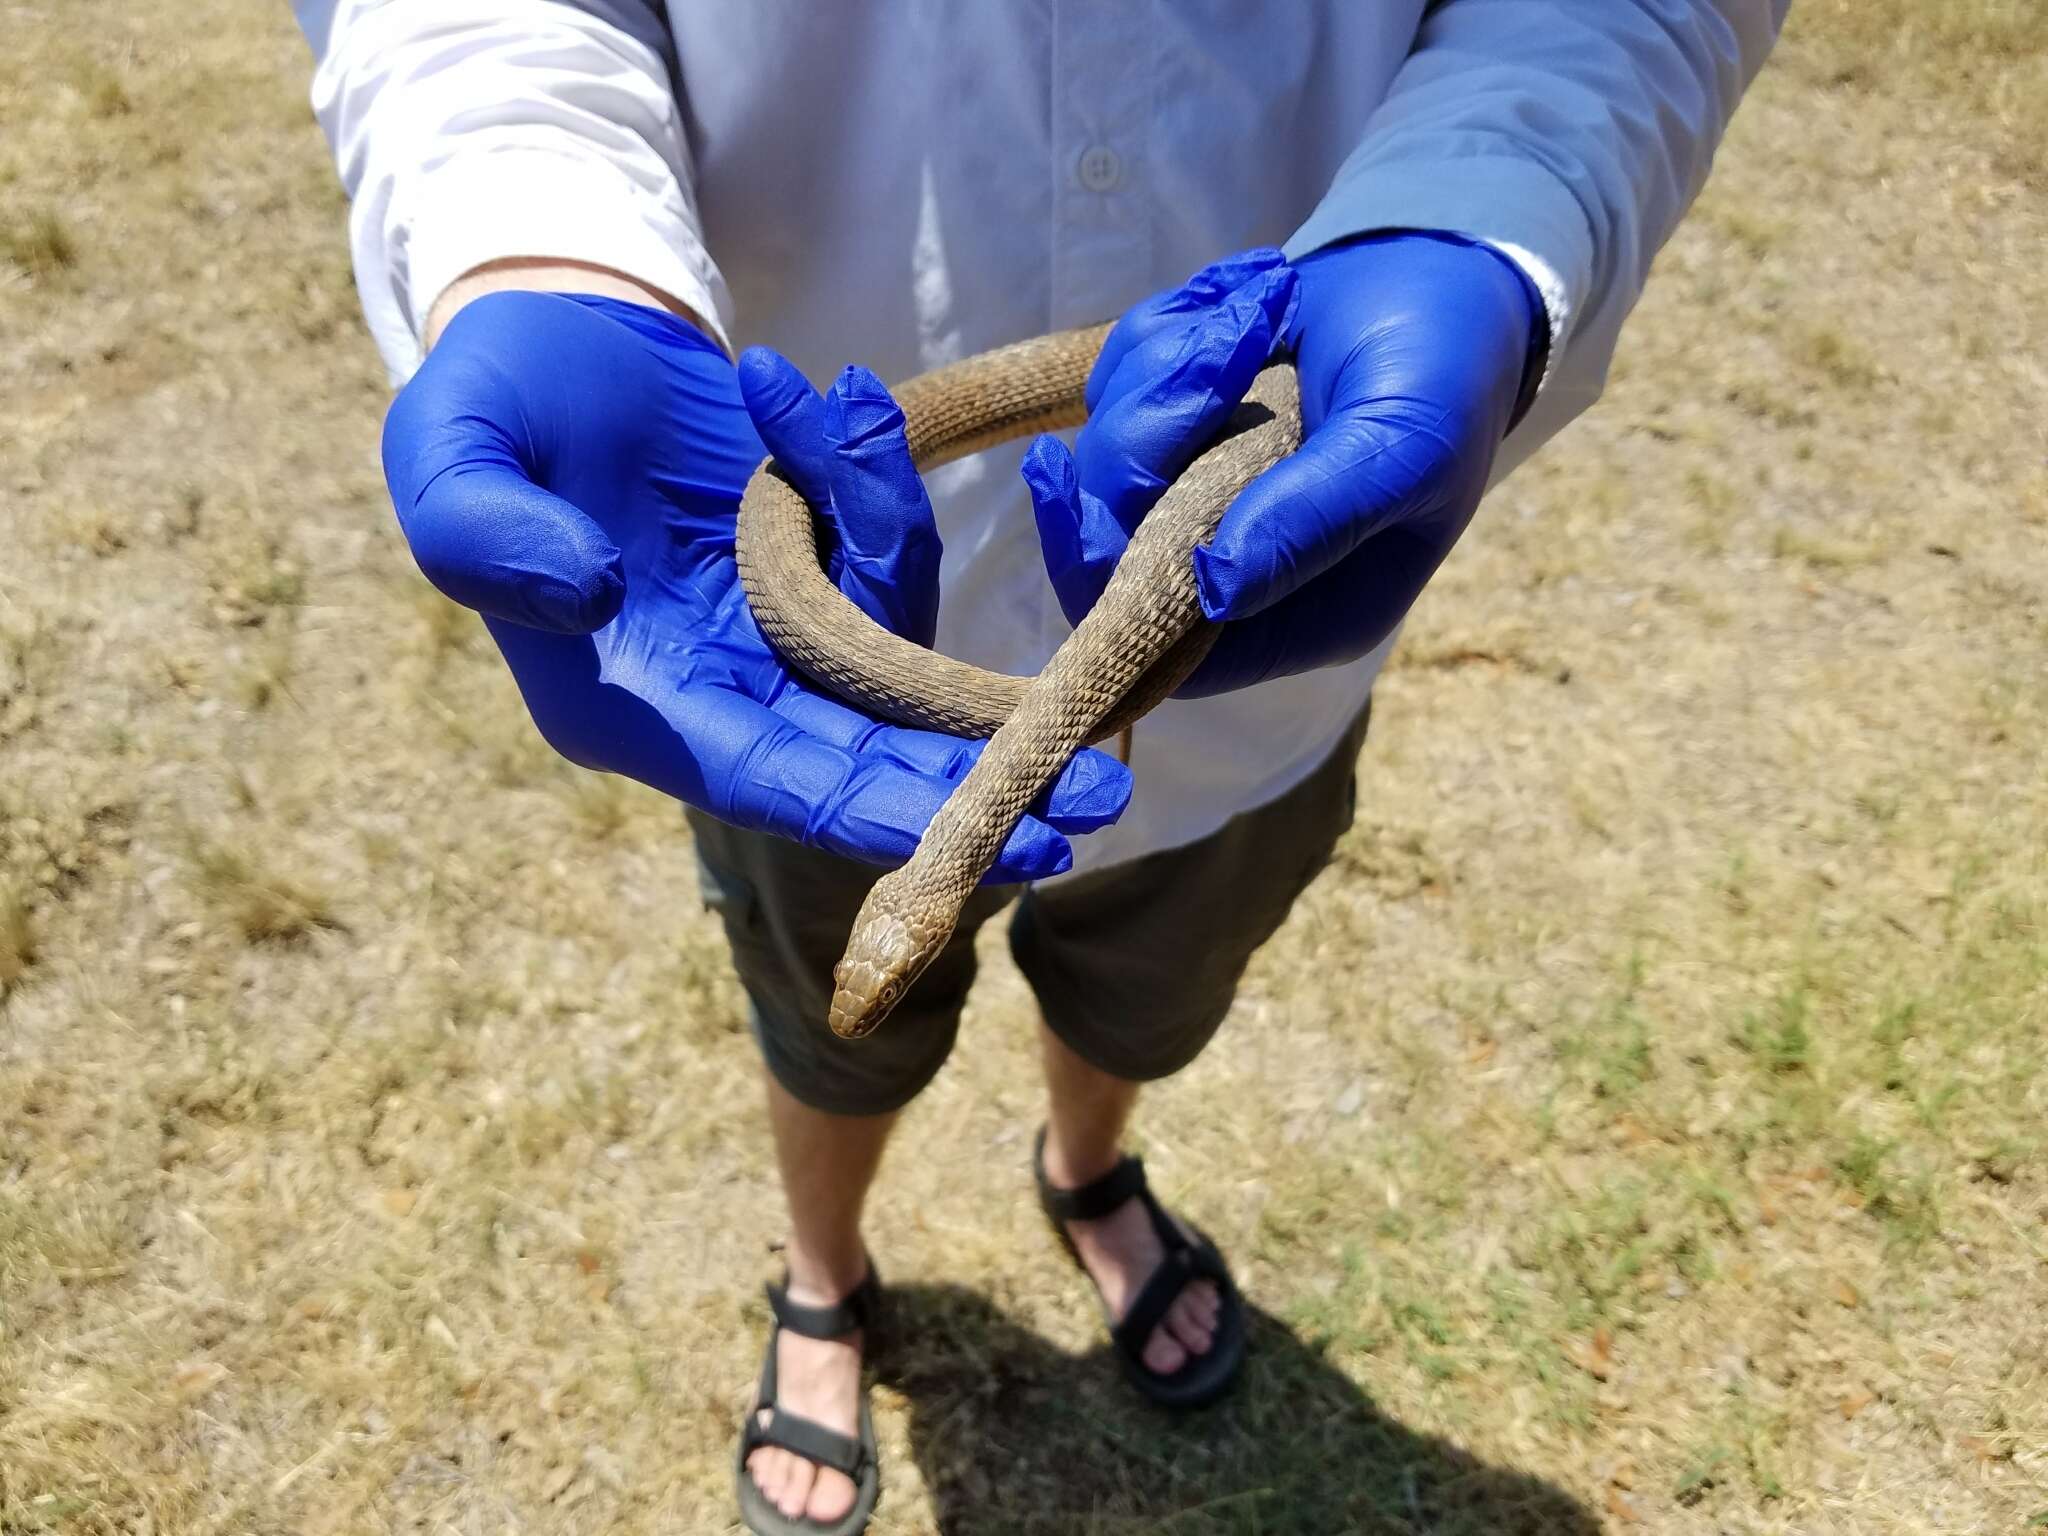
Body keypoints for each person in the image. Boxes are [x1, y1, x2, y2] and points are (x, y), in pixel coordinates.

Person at [295, 4, 1784, 1530]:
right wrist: (534, 244)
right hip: (791, 657)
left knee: (1146, 986)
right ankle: (824, 1274)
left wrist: (1485, 205)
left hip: (1260, 645)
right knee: (832, 1029)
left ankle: (1085, 1175)